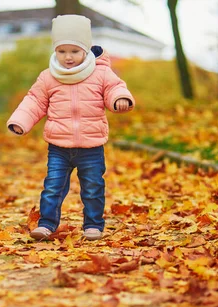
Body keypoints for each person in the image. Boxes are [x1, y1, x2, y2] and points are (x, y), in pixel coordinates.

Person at [7, 14, 135, 241]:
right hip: (59, 146)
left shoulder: (101, 73)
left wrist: (120, 99)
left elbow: (115, 88)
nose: (68, 57)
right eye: (62, 51)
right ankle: (46, 224)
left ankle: (93, 225)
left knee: (93, 188)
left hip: (91, 146)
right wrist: (21, 121)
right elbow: (34, 101)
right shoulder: (48, 77)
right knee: (53, 187)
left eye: (74, 52)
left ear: (86, 50)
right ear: (55, 51)